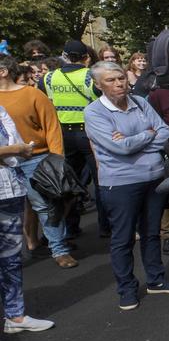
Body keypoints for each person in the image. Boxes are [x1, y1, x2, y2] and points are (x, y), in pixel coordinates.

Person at [83, 62, 169, 310]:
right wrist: (147, 135)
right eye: (110, 80)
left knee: (151, 233)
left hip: (153, 177)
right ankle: (126, 289)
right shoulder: (94, 112)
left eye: (120, 78)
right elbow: (119, 148)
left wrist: (133, 140)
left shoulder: (140, 102)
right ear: (98, 85)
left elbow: (164, 132)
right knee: (123, 238)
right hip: (120, 183)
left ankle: (156, 281)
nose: (118, 84)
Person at [0, 57, 74, 267]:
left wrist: (57, 158)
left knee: (45, 205)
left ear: (3, 71)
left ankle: (59, 250)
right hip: (3, 163)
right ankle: (21, 249)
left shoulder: (32, 94)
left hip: (35, 158)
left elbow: (51, 125)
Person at [0, 104, 55, 341]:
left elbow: (20, 146)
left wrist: (18, 150)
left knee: (10, 259)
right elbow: (16, 147)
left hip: (10, 189)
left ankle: (15, 316)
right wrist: (14, 149)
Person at [41, 40, 104, 241]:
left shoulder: (48, 78)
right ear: (86, 57)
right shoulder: (90, 76)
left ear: (64, 56)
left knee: (67, 183)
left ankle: (71, 227)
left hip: (62, 135)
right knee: (101, 181)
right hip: (90, 134)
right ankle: (106, 226)